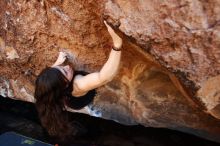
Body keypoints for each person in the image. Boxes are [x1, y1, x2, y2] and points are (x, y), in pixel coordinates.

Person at [34, 21, 123, 141]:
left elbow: (47, 79)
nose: (67, 67)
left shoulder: (51, 86)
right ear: (65, 85)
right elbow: (104, 77)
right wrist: (117, 44)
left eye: (60, 68)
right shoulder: (79, 84)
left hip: (65, 95)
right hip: (79, 100)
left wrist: (57, 64)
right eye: (65, 72)